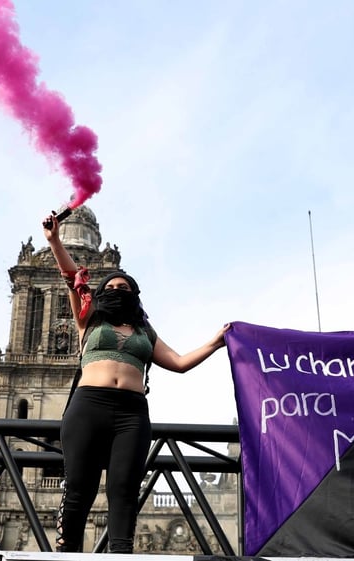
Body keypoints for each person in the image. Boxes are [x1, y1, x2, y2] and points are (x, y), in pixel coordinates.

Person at [42, 213, 230, 553]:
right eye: (110, 288)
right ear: (99, 294)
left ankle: (121, 555)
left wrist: (215, 343)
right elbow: (71, 278)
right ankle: (66, 555)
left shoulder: (145, 333)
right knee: (79, 487)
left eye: (123, 288)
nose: (116, 291)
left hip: (131, 414)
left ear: (134, 295)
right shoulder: (89, 320)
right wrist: (55, 241)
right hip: (88, 407)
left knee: (124, 488)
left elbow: (180, 363)